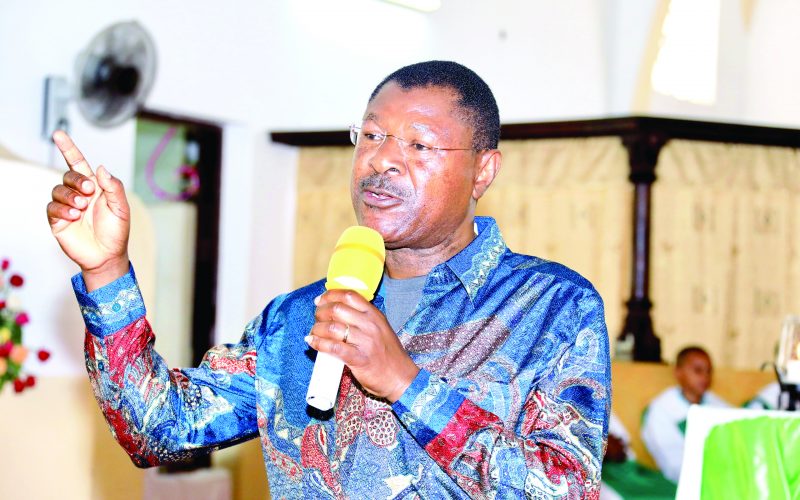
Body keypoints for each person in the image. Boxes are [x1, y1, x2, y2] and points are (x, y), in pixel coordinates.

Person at [46, 61, 611, 498]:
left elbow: (566, 489)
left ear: (482, 170)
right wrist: (106, 270)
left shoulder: (553, 307)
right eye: (369, 136)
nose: (382, 161)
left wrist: (407, 384)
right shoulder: (297, 318)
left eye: (417, 144)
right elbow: (158, 428)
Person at [640, 346, 729, 484]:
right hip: (681, 482)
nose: (705, 377)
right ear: (678, 372)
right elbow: (672, 462)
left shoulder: (716, 404)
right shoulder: (661, 410)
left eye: (709, 371)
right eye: (698, 370)